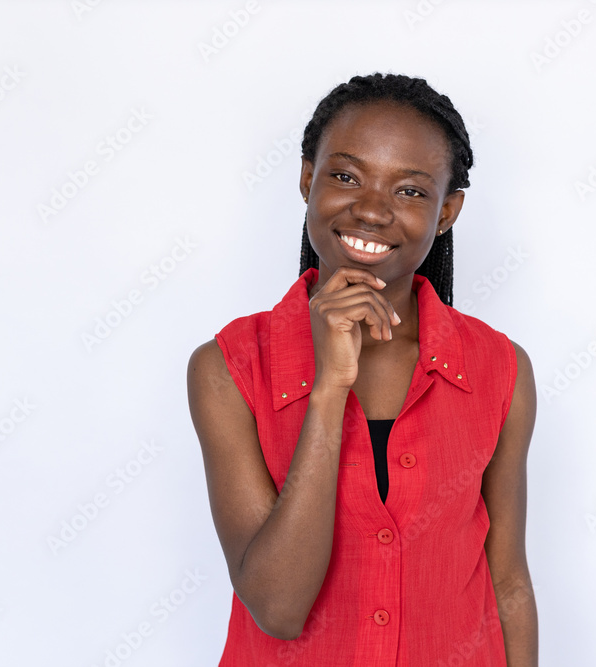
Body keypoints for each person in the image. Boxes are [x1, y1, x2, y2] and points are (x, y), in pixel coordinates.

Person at [187, 72, 538, 666]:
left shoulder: (499, 369)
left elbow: (508, 582)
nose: (372, 209)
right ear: (307, 179)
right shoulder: (229, 368)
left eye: (410, 191)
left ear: (448, 211)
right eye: (345, 176)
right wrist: (328, 389)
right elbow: (277, 606)